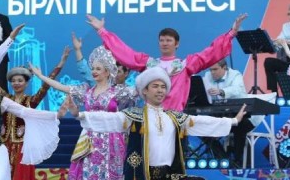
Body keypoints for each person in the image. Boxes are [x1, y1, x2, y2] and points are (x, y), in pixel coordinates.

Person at [66, 66, 246, 180]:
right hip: (141, 175)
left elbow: (200, 122)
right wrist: (79, 114)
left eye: (163, 87)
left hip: (168, 175)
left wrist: (233, 121)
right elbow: (109, 119)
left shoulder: (174, 117)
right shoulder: (134, 116)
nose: (160, 90)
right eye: (155, 86)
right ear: (144, 91)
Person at [85, 13, 248, 110]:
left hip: (175, 118)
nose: (165, 43)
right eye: (162, 40)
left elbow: (211, 52)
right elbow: (124, 52)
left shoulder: (186, 65)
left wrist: (231, 33)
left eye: (169, 40)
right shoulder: (149, 64)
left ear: (177, 44)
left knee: (174, 157)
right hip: (151, 117)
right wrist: (102, 31)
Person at [39, 46, 135, 180]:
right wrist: (41, 76)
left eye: (98, 69)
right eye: (93, 68)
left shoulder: (118, 92)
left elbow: (140, 90)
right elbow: (62, 87)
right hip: (89, 140)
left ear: (107, 72)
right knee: (87, 172)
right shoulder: (87, 91)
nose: (94, 71)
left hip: (112, 139)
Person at [0, 48, 69, 180]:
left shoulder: (30, 101)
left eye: (20, 80)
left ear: (27, 83)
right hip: (4, 145)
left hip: (22, 146)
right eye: (13, 81)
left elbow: (46, 85)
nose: (16, 83)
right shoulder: (6, 99)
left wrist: (61, 63)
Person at [200, 59, 251, 167]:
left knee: (241, 125)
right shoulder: (208, 75)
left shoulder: (235, 75)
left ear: (225, 68)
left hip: (237, 113)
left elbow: (237, 90)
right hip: (217, 113)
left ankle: (237, 160)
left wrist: (221, 91)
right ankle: (223, 159)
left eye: (215, 69)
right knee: (201, 126)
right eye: (210, 69)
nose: (212, 72)